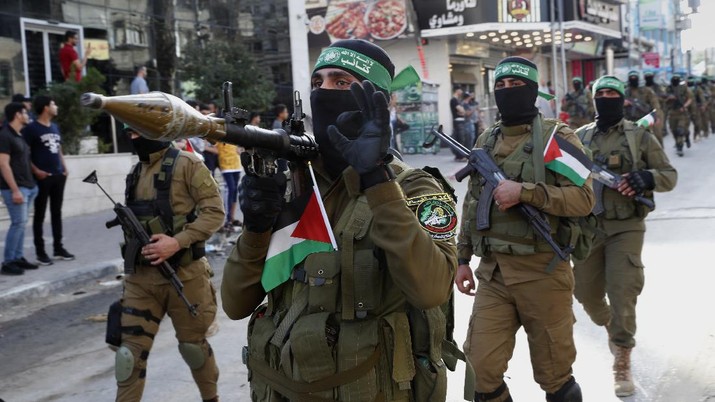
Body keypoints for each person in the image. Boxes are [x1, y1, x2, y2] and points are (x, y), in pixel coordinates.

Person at [221, 39, 458, 401]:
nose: (325, 92)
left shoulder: (414, 187)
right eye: (318, 83)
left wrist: (377, 180)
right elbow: (236, 303)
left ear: (379, 100)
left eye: (342, 82)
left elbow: (430, 290)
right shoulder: (295, 185)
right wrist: (255, 227)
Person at [455, 56, 595, 402]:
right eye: (500, 86)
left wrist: (526, 193)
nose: (506, 92)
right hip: (494, 274)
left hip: (543, 272)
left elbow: (585, 199)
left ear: (532, 90)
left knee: (555, 377)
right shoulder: (486, 140)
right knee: (479, 373)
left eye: (515, 85)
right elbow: (473, 204)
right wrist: (462, 258)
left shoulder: (556, 137)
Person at [572, 75, 677, 397]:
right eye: (600, 93)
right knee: (585, 294)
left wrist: (646, 177)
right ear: (593, 99)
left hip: (626, 226)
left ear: (622, 99)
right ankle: (610, 324)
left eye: (611, 93)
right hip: (589, 227)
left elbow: (669, 176)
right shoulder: (578, 137)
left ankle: (622, 356)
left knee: (622, 291)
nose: (606, 98)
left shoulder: (639, 137)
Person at [113, 125, 224, 402]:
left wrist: (177, 241)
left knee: (193, 349)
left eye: (138, 130)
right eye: (129, 132)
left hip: (185, 277)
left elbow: (215, 213)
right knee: (129, 355)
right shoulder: (135, 171)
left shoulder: (188, 164)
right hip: (140, 280)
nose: (132, 136)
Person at [21, 95, 74, 264]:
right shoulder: (31, 129)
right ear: (45, 108)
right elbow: (25, 153)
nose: (56, 106)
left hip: (58, 176)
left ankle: (58, 248)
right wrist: (36, 171)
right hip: (42, 177)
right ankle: (40, 252)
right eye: (53, 104)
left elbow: (58, 149)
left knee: (56, 213)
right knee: (40, 214)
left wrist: (64, 168)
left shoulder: (55, 127)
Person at [0, 103, 38, 275]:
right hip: (15, 189)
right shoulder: (5, 135)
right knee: (17, 224)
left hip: (28, 186)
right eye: (24, 112)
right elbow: (3, 165)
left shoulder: (18, 135)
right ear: (17, 115)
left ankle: (17, 257)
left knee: (21, 225)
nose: (27, 114)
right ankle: (8, 262)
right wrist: (15, 190)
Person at [624, 71, 663, 145]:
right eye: (631, 78)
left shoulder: (646, 91)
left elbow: (655, 103)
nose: (633, 80)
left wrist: (657, 116)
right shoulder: (625, 92)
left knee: (655, 139)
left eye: (635, 78)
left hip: (646, 119)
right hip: (630, 121)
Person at [664, 73, 693, 157]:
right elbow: (663, 99)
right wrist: (669, 98)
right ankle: (678, 142)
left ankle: (680, 147)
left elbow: (690, 98)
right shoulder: (668, 88)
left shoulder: (684, 88)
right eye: (674, 78)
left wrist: (684, 106)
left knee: (680, 130)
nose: (675, 80)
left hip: (682, 113)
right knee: (674, 131)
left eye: (677, 78)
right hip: (672, 113)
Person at [216, 141, 242, 230]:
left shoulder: (232, 133)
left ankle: (231, 218)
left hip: (236, 164)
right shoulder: (219, 134)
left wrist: (239, 150)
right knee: (230, 189)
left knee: (235, 191)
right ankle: (227, 220)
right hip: (226, 165)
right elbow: (212, 147)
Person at [643, 71, 668, 142]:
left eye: (650, 77)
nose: (648, 79)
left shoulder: (657, 87)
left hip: (657, 111)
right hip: (645, 113)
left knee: (658, 134)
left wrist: (655, 98)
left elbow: (663, 97)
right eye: (647, 77)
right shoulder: (642, 88)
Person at [450, 86, 467, 161]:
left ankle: (459, 156)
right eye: (460, 90)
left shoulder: (457, 100)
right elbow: (461, 110)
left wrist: (462, 111)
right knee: (460, 139)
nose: (462, 92)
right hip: (458, 121)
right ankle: (460, 156)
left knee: (460, 139)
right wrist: (462, 111)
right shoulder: (454, 100)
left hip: (459, 121)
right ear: (457, 90)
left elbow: (463, 112)